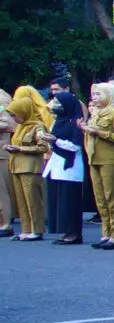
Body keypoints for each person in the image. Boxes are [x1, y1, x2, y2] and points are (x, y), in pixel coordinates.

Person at [84, 83, 114, 248]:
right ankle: (106, 233)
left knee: (113, 197)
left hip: (111, 159)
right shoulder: (96, 113)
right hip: (95, 158)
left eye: (98, 94)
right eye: (93, 95)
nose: (94, 98)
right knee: (100, 198)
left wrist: (99, 132)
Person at [5, 86, 52, 239]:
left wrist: (19, 148)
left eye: (16, 115)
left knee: (33, 201)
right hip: (17, 167)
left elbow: (43, 147)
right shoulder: (20, 127)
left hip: (31, 168)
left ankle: (37, 230)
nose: (14, 118)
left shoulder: (38, 126)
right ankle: (26, 230)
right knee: (22, 202)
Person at [42, 92, 86, 243]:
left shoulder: (76, 121)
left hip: (71, 166)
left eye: (59, 103)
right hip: (57, 165)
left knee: (71, 201)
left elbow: (76, 145)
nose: (56, 106)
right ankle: (66, 231)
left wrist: (56, 140)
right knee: (62, 201)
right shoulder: (60, 120)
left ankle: (74, 234)